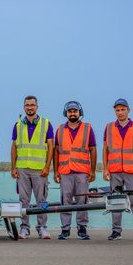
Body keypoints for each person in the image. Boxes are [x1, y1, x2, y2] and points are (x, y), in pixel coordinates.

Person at [103, 98, 133, 242]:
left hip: (131, 171)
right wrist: (105, 169)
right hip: (115, 171)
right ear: (114, 111)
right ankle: (116, 231)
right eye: (117, 110)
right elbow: (105, 150)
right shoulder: (109, 127)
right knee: (115, 202)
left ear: (128, 110)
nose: (120, 112)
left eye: (123, 109)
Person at [11, 95, 54, 239]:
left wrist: (48, 167)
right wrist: (13, 167)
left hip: (40, 170)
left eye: (32, 105)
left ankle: (42, 228)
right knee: (24, 200)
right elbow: (14, 147)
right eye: (27, 105)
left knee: (41, 200)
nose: (30, 107)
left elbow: (51, 147)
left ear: (37, 107)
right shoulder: (18, 125)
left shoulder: (46, 124)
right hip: (22, 168)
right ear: (24, 107)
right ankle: (25, 228)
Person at [53, 101, 97, 240]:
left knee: (82, 201)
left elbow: (93, 150)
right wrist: (55, 171)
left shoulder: (88, 128)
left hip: (82, 171)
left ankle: (82, 229)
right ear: (66, 113)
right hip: (65, 171)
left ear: (80, 113)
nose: (72, 113)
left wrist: (93, 171)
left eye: (75, 111)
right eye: (70, 111)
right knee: (65, 200)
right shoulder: (60, 129)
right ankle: (65, 230)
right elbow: (56, 152)